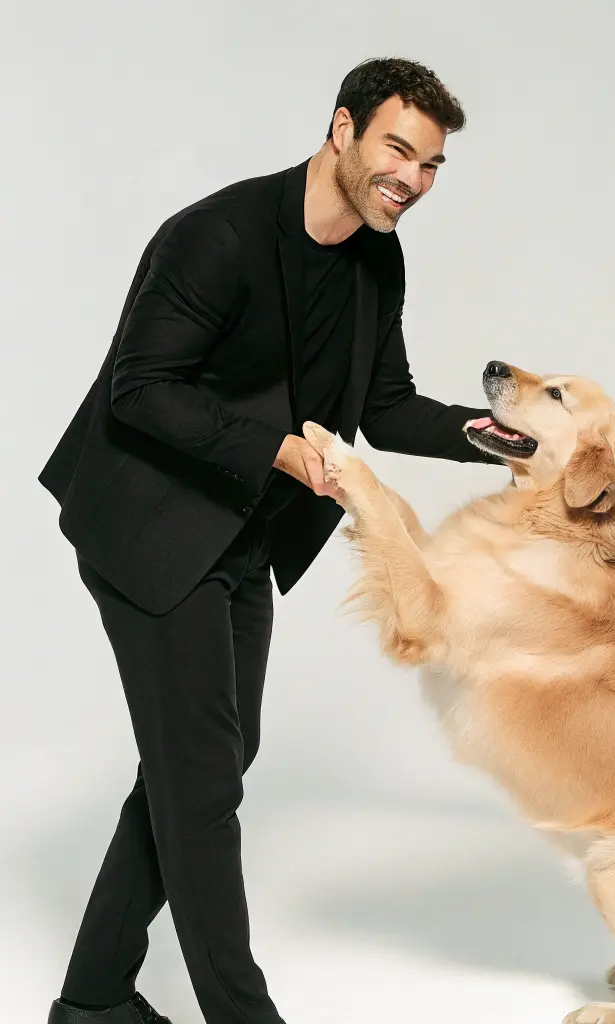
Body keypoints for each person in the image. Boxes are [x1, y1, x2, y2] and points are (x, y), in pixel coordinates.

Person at [38, 57, 500, 1024]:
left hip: (242, 533)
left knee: (209, 760)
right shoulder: (216, 237)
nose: (411, 179)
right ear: (343, 130)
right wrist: (281, 450)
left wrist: (495, 439)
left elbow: (384, 404)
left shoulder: (379, 258)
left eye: (432, 165)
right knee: (202, 781)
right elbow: (141, 388)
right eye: (397, 149)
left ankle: (89, 1004)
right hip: (150, 523)